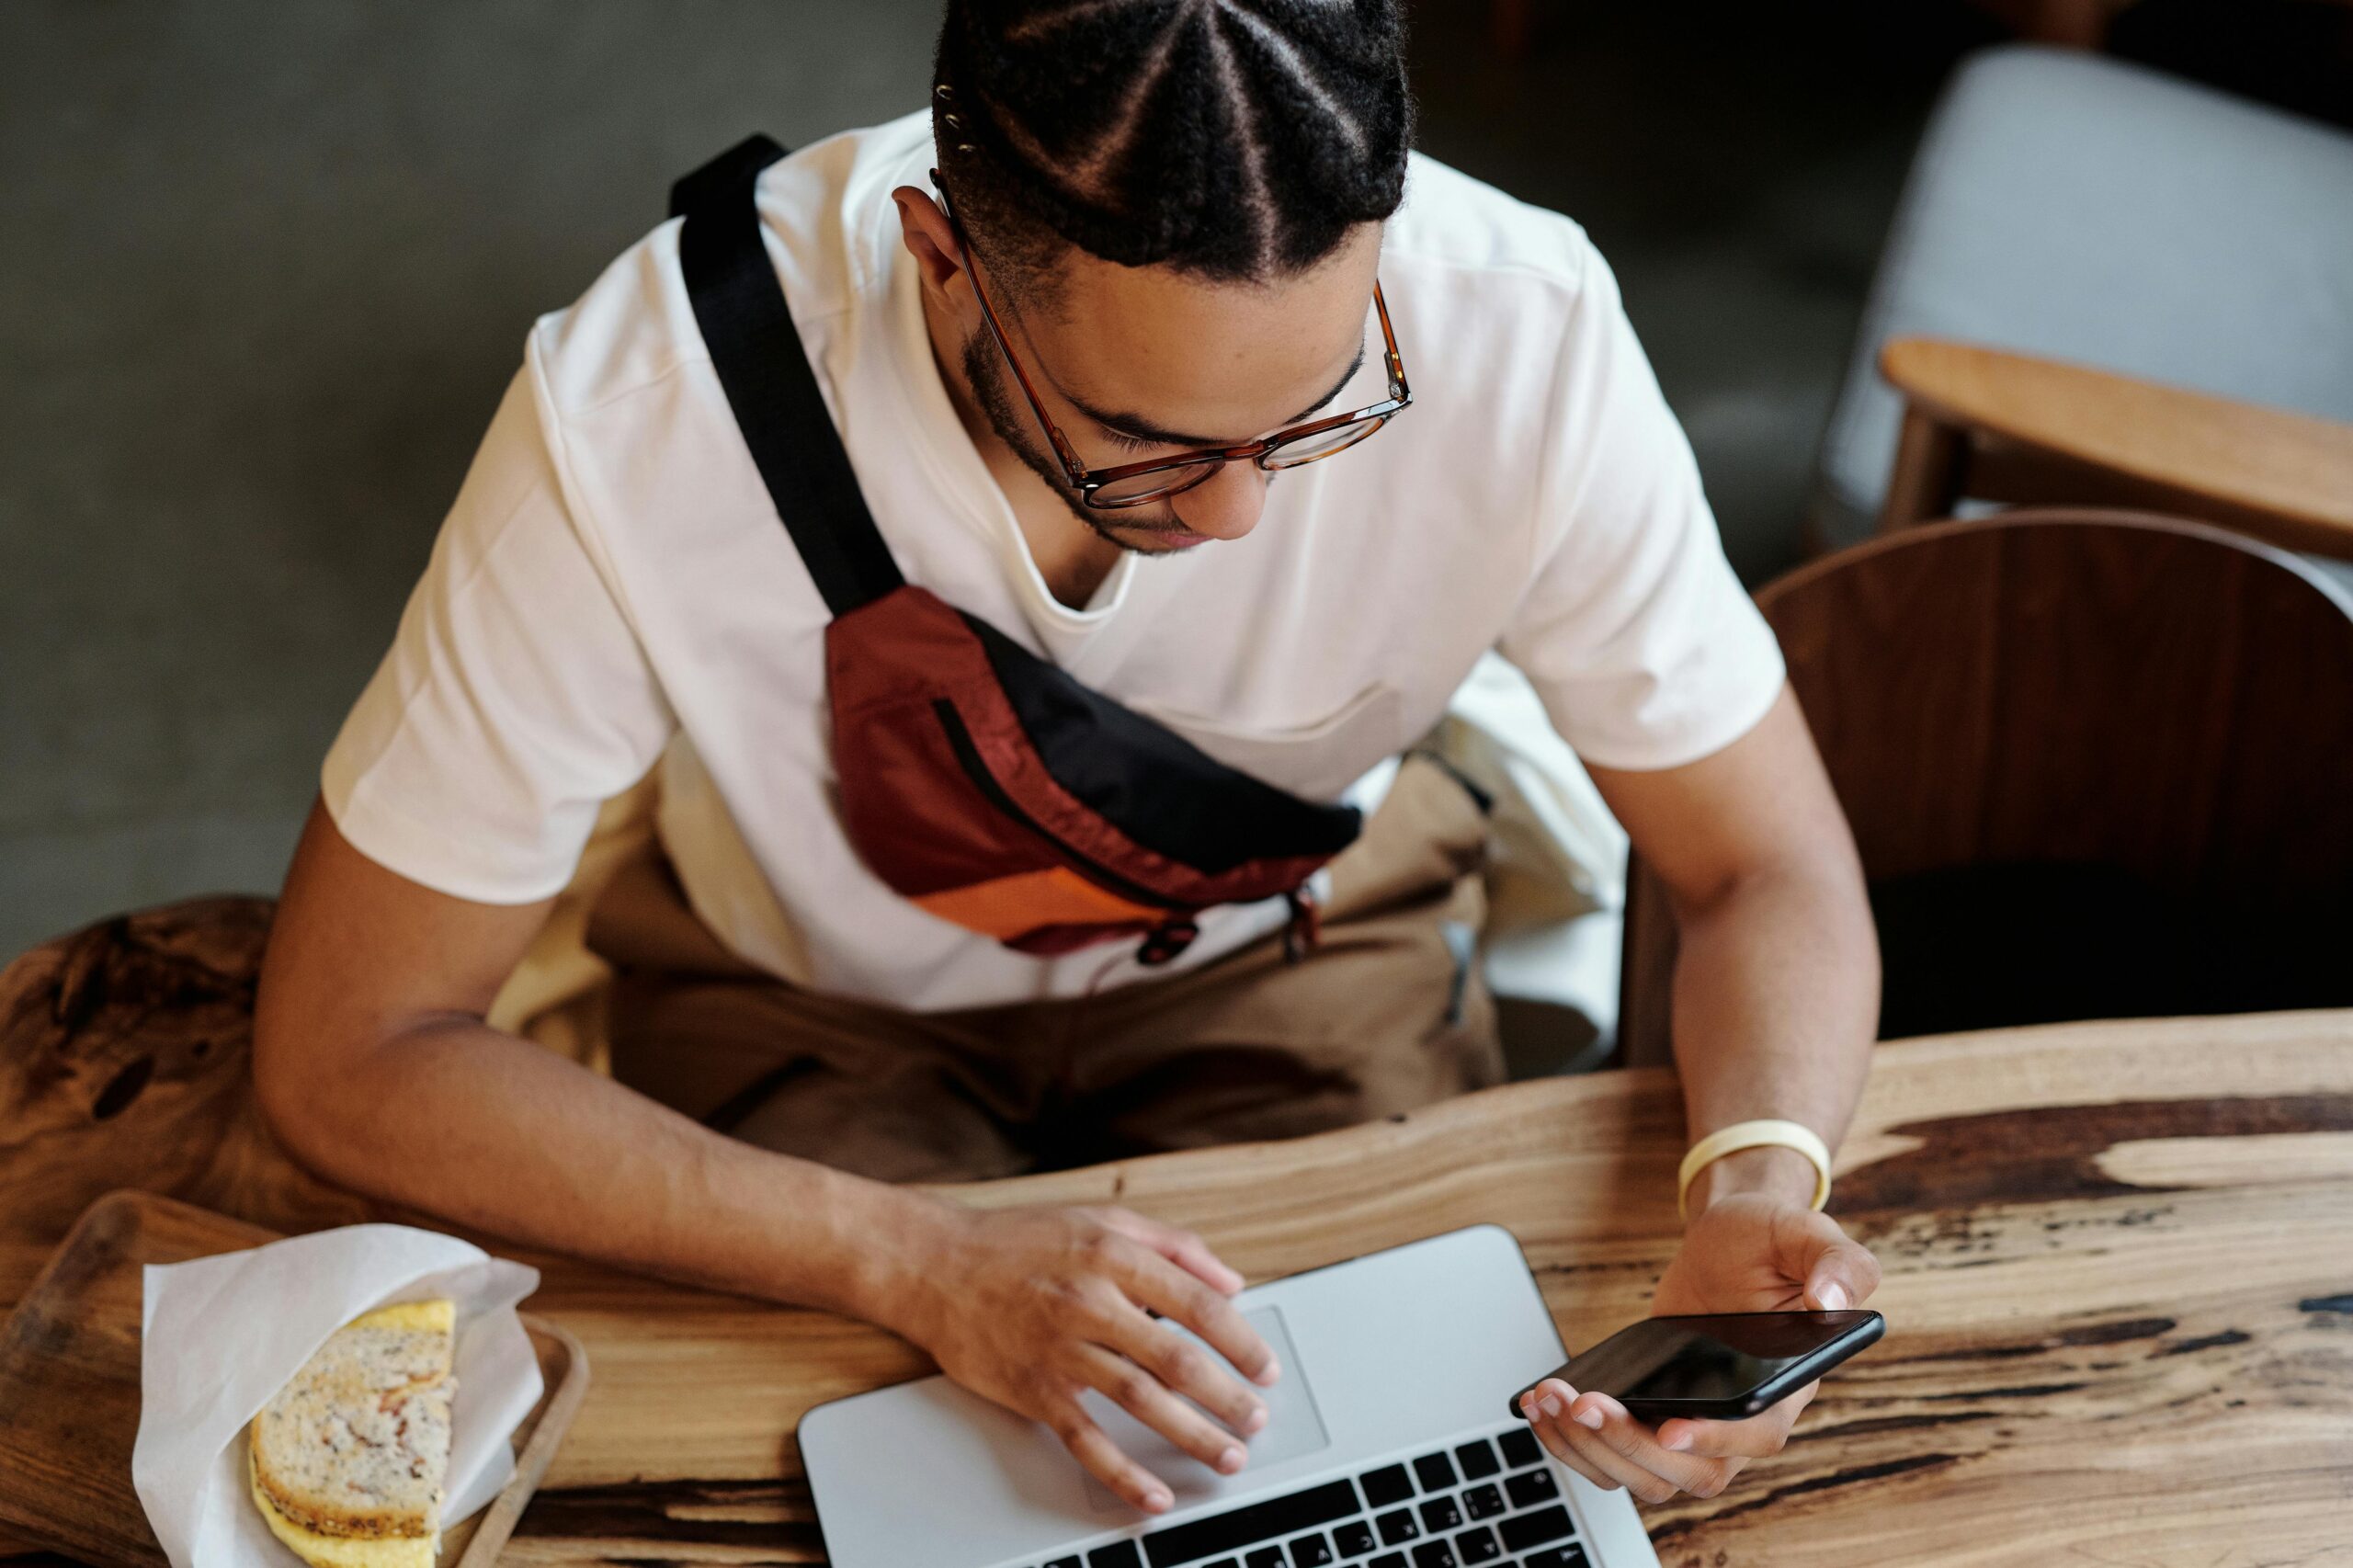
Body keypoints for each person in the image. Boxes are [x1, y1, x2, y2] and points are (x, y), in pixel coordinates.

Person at [253, 0, 1881, 1519]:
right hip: (814, 1012)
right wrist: (913, 1261)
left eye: (1322, 412)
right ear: (942, 262)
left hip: (1298, 945)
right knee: (903, 1499)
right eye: (1149, 444)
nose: (1245, 511)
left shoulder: (1521, 331)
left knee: (1381, 1475)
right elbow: (350, 1043)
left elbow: (1763, 863)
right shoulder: (646, 411)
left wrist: (1753, 1174)